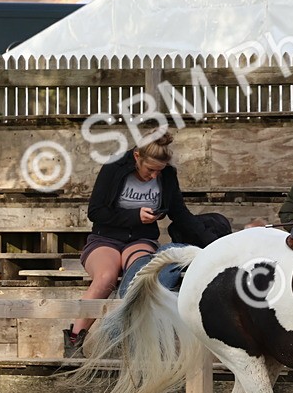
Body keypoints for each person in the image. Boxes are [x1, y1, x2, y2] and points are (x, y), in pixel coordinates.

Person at [64, 132, 221, 356]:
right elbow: (96, 212)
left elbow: (180, 214)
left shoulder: (167, 175)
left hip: (140, 239)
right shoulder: (114, 168)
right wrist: (134, 216)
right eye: (150, 170)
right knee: (106, 278)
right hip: (106, 238)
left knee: (140, 276)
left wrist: (213, 244)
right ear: (137, 156)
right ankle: (74, 341)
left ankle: (127, 339)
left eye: (159, 170)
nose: (154, 175)